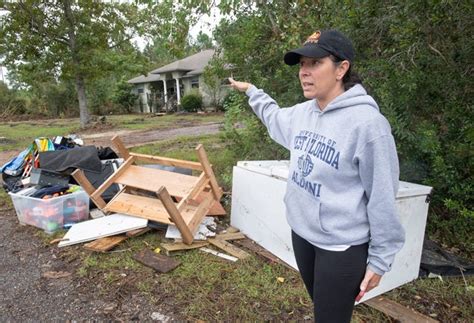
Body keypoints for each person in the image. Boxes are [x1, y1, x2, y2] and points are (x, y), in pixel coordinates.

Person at [229, 29, 405, 322]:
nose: (304, 73)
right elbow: (274, 117)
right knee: (321, 307)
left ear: (341, 68)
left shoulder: (369, 126)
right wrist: (252, 91)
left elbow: (383, 196)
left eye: (315, 63)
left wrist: (380, 260)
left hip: (341, 247)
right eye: (301, 65)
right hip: (303, 235)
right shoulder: (303, 113)